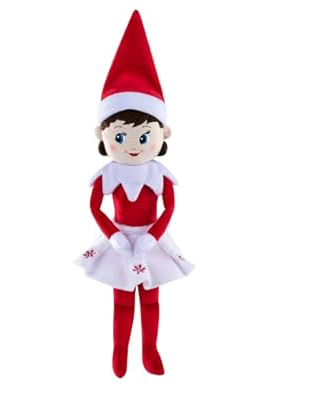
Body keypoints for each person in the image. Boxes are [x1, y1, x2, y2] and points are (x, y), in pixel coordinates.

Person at [75, 10, 194, 377]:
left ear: (162, 135)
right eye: (120, 135)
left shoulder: (160, 174)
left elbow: (169, 207)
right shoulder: (107, 173)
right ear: (103, 136)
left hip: (151, 241)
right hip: (119, 240)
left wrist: (152, 237)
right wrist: (113, 234)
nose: (132, 145)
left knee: (152, 298)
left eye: (144, 136)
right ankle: (120, 351)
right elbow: (95, 207)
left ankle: (150, 349)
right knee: (123, 299)